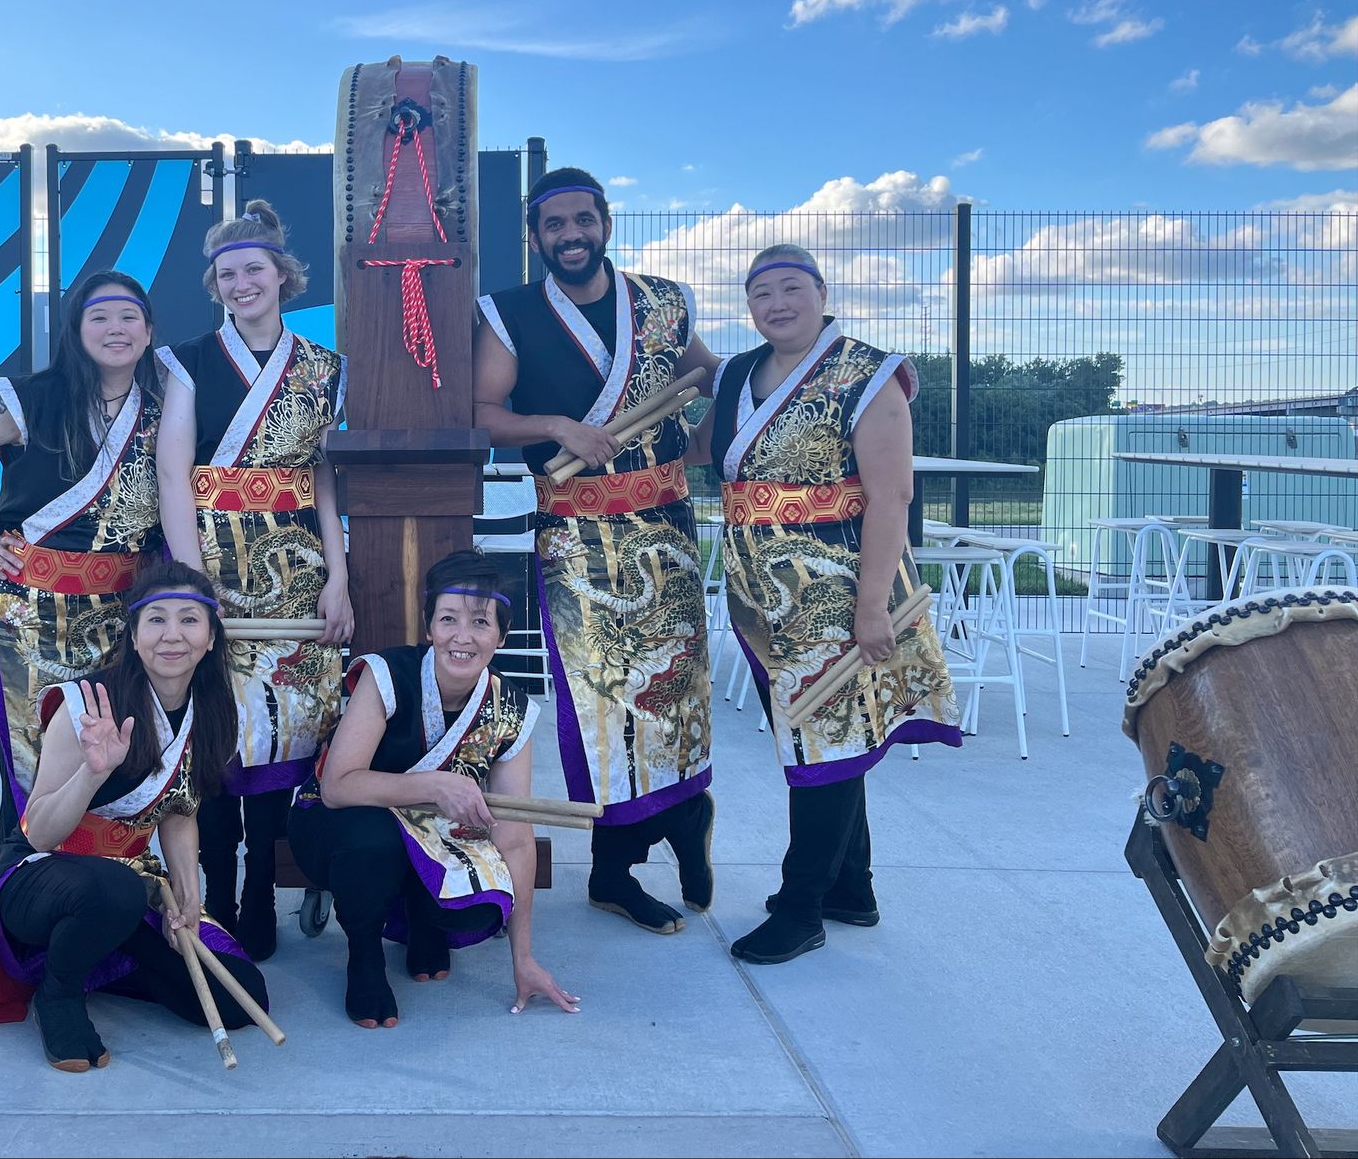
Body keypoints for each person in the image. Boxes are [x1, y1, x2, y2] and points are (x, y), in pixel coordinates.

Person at [691, 243, 963, 964]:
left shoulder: (867, 373)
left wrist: (871, 607)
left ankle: (802, 905)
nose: (777, 304)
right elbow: (702, 450)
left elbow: (892, 497)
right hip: (761, 596)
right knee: (828, 738)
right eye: (761, 293)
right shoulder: (738, 374)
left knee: (825, 740)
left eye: (791, 288)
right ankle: (851, 887)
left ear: (821, 292)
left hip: (838, 591)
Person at [474, 166, 722, 935]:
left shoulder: (661, 303)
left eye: (584, 220)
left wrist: (702, 440)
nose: (571, 235)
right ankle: (615, 870)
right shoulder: (511, 312)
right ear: (535, 237)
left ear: (606, 224)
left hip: (667, 525)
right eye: (555, 225)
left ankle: (687, 816)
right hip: (575, 538)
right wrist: (557, 426)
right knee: (605, 707)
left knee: (677, 691)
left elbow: (712, 379)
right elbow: (483, 411)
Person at [0, 563, 270, 1069]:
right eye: (156, 620)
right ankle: (59, 995)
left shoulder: (214, 708)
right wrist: (92, 773)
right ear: (133, 636)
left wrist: (188, 901)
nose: (172, 635)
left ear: (211, 637)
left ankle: (103, 950)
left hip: (129, 880)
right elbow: (38, 832)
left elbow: (179, 812)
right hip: (41, 878)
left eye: (189, 620)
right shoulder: (87, 702)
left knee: (239, 997)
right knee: (116, 891)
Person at [156, 200, 351, 960]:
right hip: (213, 563)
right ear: (215, 285)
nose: (242, 284)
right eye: (228, 274)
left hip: (297, 569)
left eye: (254, 270)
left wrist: (339, 574)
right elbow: (174, 475)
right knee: (215, 733)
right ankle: (218, 888)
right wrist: (191, 587)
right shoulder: (188, 361)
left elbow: (324, 478)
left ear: (283, 276)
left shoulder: (323, 368)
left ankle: (262, 892)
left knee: (284, 729)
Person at [287, 549, 579, 1028]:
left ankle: (425, 918)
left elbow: (514, 837)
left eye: (480, 622)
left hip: (435, 837)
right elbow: (338, 787)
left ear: (501, 636)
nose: (462, 637)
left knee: (479, 902)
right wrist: (436, 783)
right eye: (448, 619)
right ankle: (364, 956)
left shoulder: (512, 709)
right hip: (340, 827)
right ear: (428, 628)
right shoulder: (386, 674)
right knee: (373, 840)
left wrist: (523, 957)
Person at [0, 270, 164, 804]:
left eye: (129, 317)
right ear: (76, 330)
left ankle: (114, 856)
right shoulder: (31, 399)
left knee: (118, 747)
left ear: (148, 332)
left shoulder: (163, 408)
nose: (115, 328)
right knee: (34, 753)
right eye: (99, 317)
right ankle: (31, 856)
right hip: (33, 610)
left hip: (123, 611)